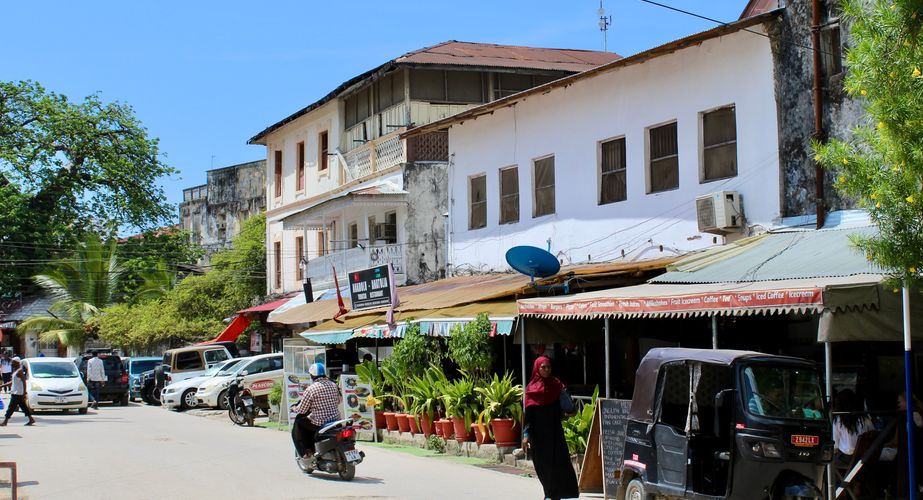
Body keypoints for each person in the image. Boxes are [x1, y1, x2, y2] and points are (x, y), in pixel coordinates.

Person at [522, 356, 579, 500]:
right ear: (537, 368)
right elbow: (529, 416)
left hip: (555, 433)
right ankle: (549, 493)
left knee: (559, 464)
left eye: (548, 367)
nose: (546, 370)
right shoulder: (531, 389)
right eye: (543, 367)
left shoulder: (557, 385)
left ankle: (555, 495)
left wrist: (567, 408)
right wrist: (526, 434)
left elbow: (568, 409)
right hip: (539, 436)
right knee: (543, 466)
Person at [291, 362, 342, 465]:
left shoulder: (311, 389)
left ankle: (306, 453)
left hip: (319, 423)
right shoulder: (333, 385)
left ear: (312, 375)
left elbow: (302, 410)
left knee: (299, 422)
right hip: (335, 420)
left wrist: (294, 408)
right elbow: (339, 401)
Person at [831, 390, 873, 468]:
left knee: (827, 460)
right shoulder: (864, 418)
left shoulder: (838, 420)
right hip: (863, 457)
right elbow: (872, 433)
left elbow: (835, 444)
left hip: (847, 458)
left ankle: (835, 479)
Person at [1, 357, 35, 426]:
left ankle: (5, 421)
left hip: (18, 393)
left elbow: (24, 382)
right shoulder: (15, 371)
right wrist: (2, 386)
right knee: (24, 407)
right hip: (16, 392)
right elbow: (12, 382)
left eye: (13, 362)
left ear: (17, 363)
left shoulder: (20, 371)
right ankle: (31, 419)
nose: (12, 363)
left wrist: (24, 393)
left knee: (11, 407)